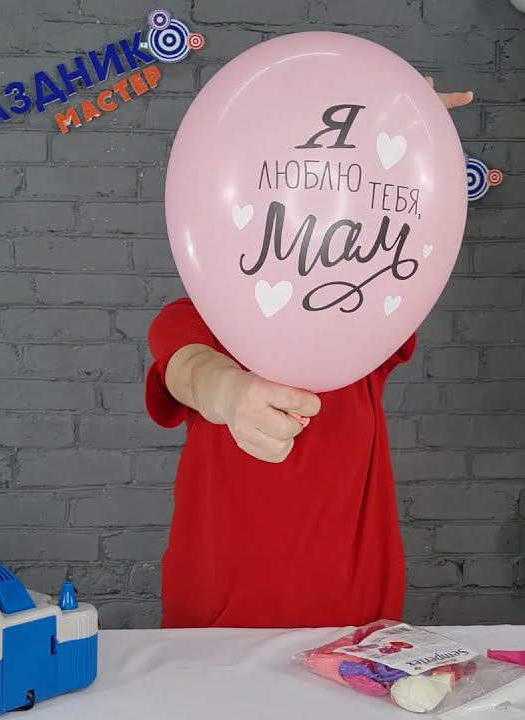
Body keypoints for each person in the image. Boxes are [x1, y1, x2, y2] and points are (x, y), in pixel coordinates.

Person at [146, 81, 473, 628]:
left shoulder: (366, 319)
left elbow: (397, 253)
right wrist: (233, 393)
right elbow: (190, 371)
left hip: (353, 622)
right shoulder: (193, 315)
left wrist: (410, 129)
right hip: (217, 624)